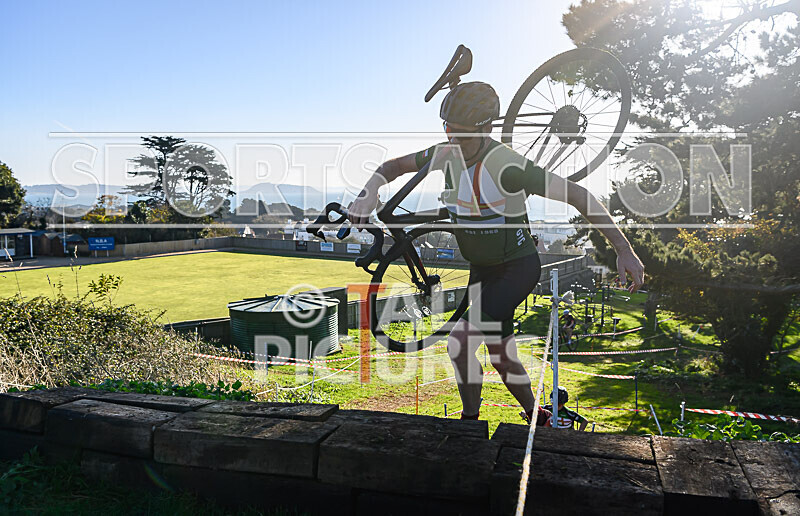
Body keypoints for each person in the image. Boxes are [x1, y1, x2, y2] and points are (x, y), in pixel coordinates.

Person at [348, 81, 644, 423]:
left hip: (516, 268)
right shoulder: (444, 152)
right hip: (482, 269)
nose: (453, 142)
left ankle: (470, 423)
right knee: (501, 355)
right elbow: (391, 168)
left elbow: (579, 196)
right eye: (448, 131)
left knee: (459, 345)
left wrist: (624, 250)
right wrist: (368, 192)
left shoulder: (508, 165)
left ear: (487, 129)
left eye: (463, 135)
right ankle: (538, 415)